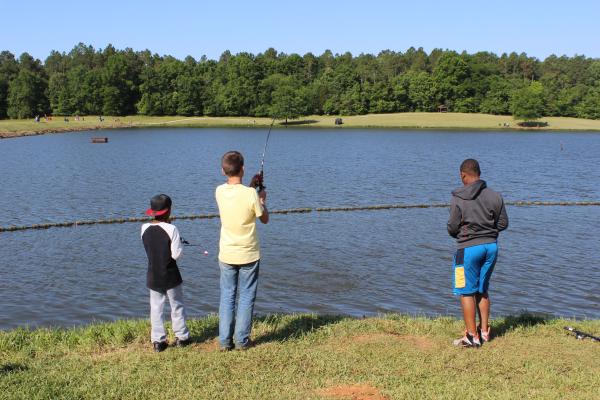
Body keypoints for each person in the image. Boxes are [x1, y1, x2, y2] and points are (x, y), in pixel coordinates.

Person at [447, 159, 508, 347]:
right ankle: (484, 332)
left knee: (466, 292)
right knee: (482, 289)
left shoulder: (459, 197)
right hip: (491, 248)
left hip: (468, 249)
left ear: (463, 175)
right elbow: (503, 223)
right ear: (479, 173)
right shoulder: (495, 195)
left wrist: (466, 234)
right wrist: (488, 233)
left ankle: (471, 337)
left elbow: (452, 227)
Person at [215, 151, 269, 351]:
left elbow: (237, 196)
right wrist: (262, 199)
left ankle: (224, 341)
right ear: (243, 169)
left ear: (223, 171)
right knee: (246, 296)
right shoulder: (251, 195)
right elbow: (264, 218)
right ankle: (242, 341)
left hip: (227, 253)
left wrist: (252, 187)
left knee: (227, 295)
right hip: (249, 254)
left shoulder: (219, 191)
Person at [141, 194, 191, 352]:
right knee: (177, 306)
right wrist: (180, 244)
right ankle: (182, 337)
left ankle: (158, 341)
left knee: (156, 308)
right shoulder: (173, 229)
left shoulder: (144, 228)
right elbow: (176, 254)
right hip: (170, 274)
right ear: (168, 211)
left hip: (153, 274)